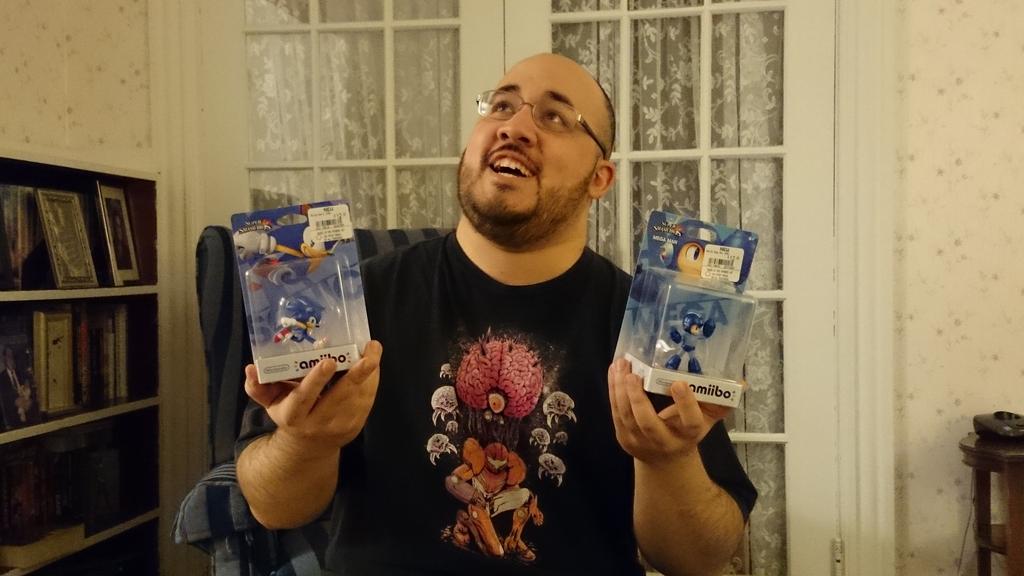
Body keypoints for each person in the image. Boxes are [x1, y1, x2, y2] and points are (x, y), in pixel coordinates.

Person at [236, 53, 756, 576]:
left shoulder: (650, 328)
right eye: (502, 106)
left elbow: (698, 559)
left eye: (555, 116)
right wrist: (306, 440)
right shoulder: (354, 300)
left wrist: (668, 460)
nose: (515, 126)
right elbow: (273, 507)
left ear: (600, 178)